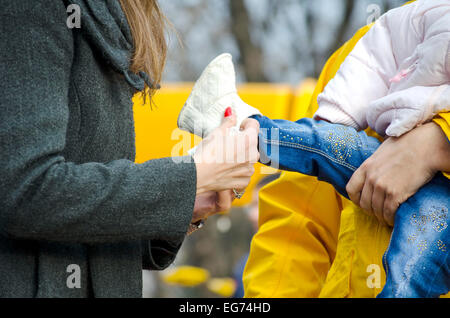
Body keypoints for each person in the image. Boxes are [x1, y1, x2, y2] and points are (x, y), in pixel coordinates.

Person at [177, 0, 450, 297]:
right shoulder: (362, 50)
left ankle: (242, 124)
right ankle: (245, 127)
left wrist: (438, 141)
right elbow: (297, 222)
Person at [0, 0, 259, 297]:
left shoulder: (113, 18)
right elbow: (27, 191)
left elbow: (86, 226)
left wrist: (188, 202)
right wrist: (191, 177)